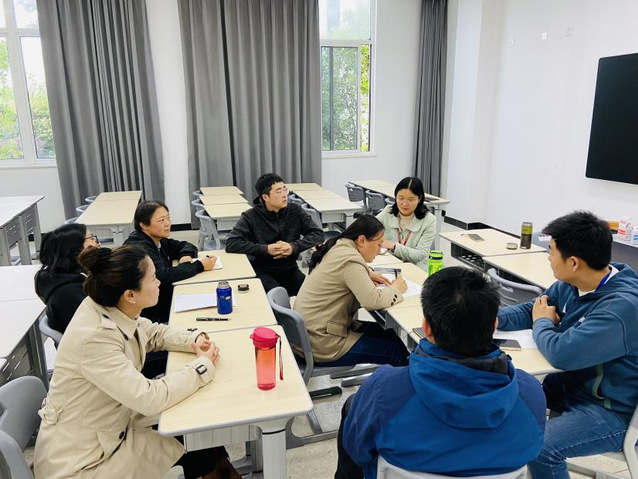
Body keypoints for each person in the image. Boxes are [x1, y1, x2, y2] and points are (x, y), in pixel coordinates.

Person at [34, 245, 240, 479]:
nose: (159, 282)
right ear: (130, 295)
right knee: (192, 436)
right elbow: (149, 398)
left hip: (111, 430)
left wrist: (193, 339)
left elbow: (151, 332)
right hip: (83, 463)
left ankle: (220, 471)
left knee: (197, 428)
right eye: (153, 278)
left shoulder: (108, 307)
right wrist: (201, 367)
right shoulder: (94, 338)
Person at [336, 267, 546, 479]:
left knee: (353, 407)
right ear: (494, 325)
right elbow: (531, 450)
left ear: (426, 328)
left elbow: (357, 452)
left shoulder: (384, 390)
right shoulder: (530, 394)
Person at [497, 211, 638, 479]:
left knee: (541, 447)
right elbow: (535, 308)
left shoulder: (621, 308)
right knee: (497, 396)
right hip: (571, 385)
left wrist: (542, 322)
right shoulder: (574, 282)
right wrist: (490, 319)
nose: (548, 257)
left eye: (551, 251)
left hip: (612, 410)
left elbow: (561, 353)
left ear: (573, 262)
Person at [293, 215, 409, 367]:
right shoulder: (350, 260)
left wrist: (366, 273)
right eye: (378, 244)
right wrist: (396, 289)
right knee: (396, 352)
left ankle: (394, 376)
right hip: (322, 342)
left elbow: (344, 273)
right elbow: (373, 301)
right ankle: (400, 381)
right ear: (362, 240)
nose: (379, 250)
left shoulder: (339, 246)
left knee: (390, 334)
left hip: (311, 332)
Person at [225, 173, 324, 295]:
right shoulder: (250, 216)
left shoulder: (295, 211)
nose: (284, 195)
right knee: (277, 295)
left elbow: (318, 234)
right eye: (278, 191)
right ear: (265, 197)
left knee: (313, 294)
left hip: (289, 268)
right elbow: (231, 243)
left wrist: (293, 247)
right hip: (262, 270)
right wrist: (266, 249)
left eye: (284, 189)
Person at [125, 200, 216, 323]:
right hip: (149, 314)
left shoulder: (158, 239)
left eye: (168, 218)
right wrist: (200, 265)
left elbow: (185, 245)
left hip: (162, 299)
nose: (167, 223)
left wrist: (184, 255)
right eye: (161, 220)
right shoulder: (139, 248)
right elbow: (162, 275)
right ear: (144, 225)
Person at [34, 223, 100, 334]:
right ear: (75, 247)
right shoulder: (69, 293)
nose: (98, 244)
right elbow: (94, 329)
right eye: (91, 238)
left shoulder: (69, 278)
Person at [376, 176, 436, 270]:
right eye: (401, 198)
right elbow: (369, 228)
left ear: (419, 199)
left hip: (415, 268)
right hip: (389, 263)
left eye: (410, 199)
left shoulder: (429, 220)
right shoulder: (387, 212)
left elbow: (420, 254)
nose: (404, 204)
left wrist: (394, 246)